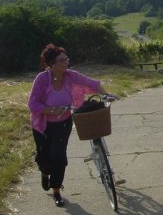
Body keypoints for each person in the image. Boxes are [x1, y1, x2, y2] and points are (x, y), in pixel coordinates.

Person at [28, 43, 117, 207]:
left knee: (58, 158)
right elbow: (32, 104)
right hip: (42, 125)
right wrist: (51, 110)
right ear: (52, 64)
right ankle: (45, 173)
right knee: (45, 160)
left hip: (63, 124)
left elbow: (93, 83)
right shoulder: (42, 79)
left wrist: (107, 94)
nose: (66, 62)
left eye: (66, 58)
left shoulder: (70, 75)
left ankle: (56, 191)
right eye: (62, 60)